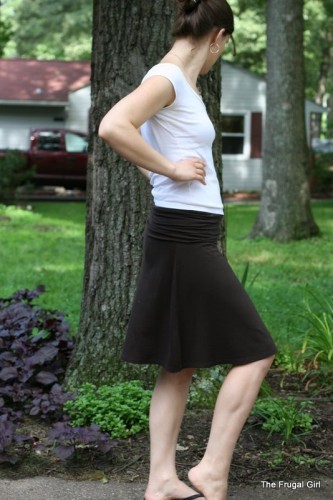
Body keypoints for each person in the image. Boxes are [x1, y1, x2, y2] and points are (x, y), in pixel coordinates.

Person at [99, 0, 277, 498]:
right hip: (184, 236)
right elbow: (114, 126)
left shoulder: (179, 82)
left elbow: (141, 136)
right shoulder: (170, 78)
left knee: (178, 366)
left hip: (185, 232)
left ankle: (161, 481)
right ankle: (211, 471)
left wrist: (158, 168)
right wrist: (171, 170)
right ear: (218, 36)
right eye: (225, 46)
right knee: (256, 352)